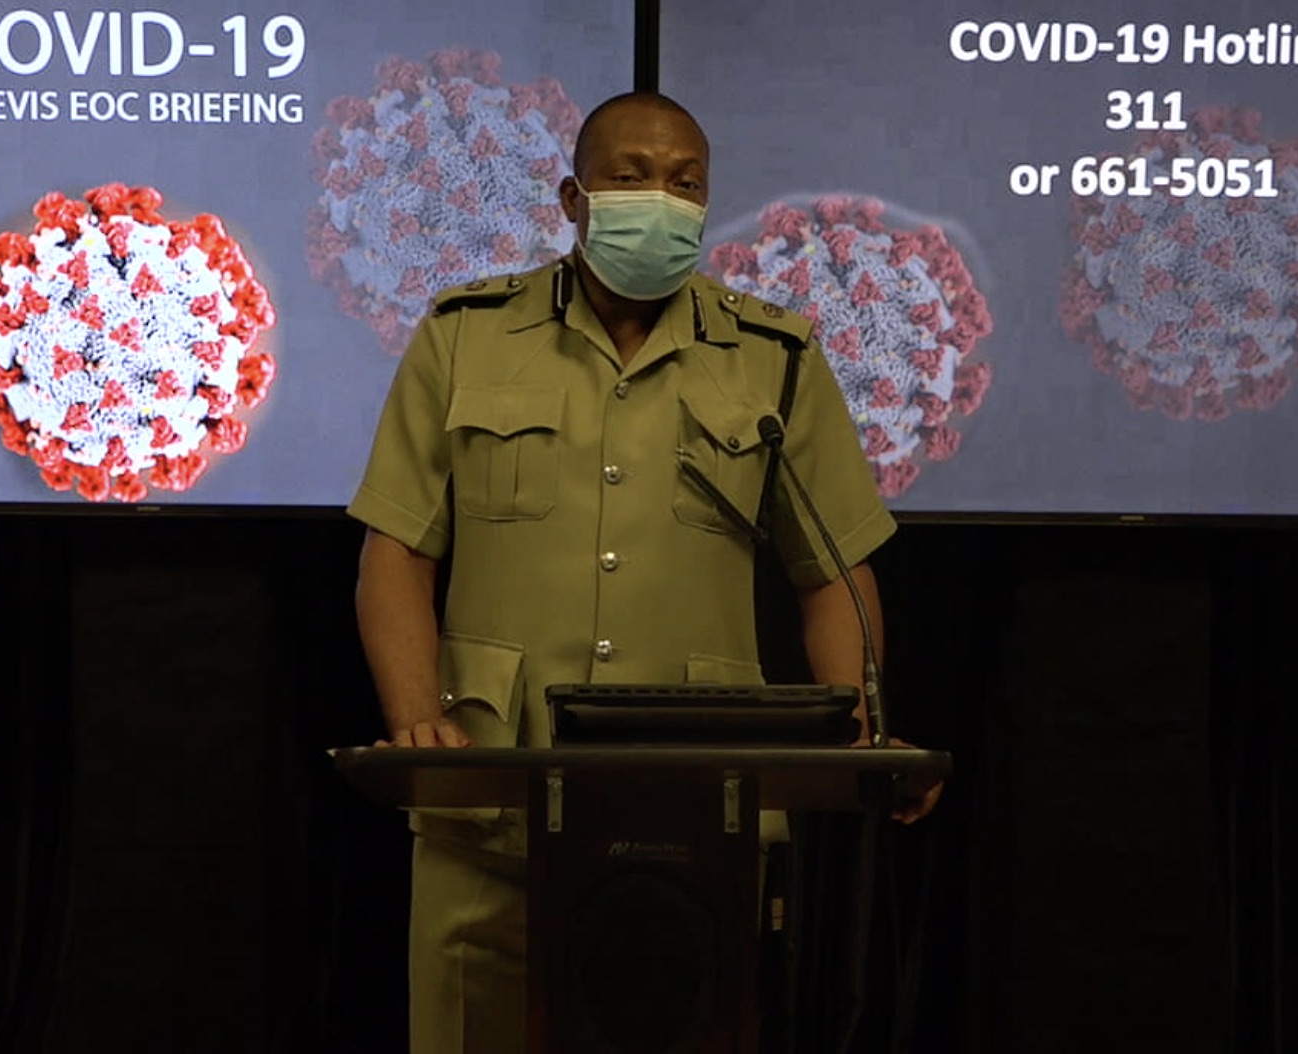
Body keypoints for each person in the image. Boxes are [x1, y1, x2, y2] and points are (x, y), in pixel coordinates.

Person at [347, 91, 940, 1054]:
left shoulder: (774, 358)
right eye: (631, 177)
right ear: (574, 199)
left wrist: (859, 734)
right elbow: (396, 552)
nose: (659, 198)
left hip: (701, 811)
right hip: (491, 805)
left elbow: (834, 571)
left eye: (684, 182)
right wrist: (419, 720)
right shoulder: (464, 335)